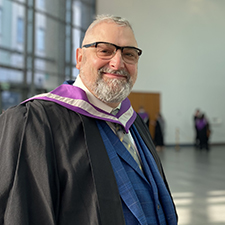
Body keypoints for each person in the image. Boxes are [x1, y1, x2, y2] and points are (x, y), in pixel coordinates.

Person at [0, 15, 177, 225]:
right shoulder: (35, 122)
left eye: (129, 54)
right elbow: (21, 214)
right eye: (104, 50)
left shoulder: (134, 122)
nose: (118, 62)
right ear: (80, 58)